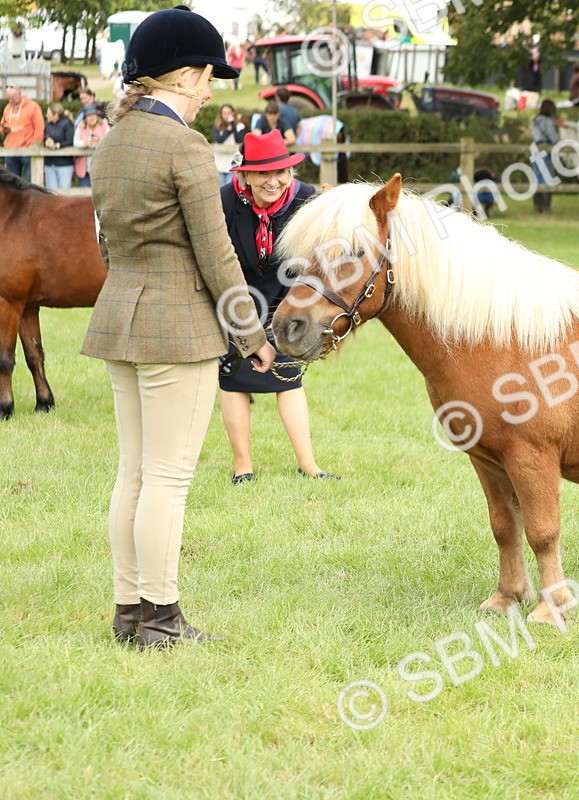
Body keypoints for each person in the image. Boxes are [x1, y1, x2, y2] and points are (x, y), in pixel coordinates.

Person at [82, 6, 276, 650]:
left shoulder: (111, 142)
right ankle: (161, 619)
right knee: (167, 478)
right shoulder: (184, 146)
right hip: (176, 328)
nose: (210, 90)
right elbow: (218, 256)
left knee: (134, 473)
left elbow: (107, 243)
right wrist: (252, 336)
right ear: (185, 76)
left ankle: (128, 612)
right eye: (208, 77)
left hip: (120, 316)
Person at [219, 130, 336, 484]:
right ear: (246, 175)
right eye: (263, 173)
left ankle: (309, 465)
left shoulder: (307, 200)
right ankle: (243, 467)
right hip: (238, 301)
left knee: (289, 379)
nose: (273, 181)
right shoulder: (224, 201)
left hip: (287, 302)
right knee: (234, 381)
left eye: (280, 172)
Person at [2, 83, 45, 181]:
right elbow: (2, 124)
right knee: (11, 182)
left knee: (29, 181)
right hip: (10, 150)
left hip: (27, 150)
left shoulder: (33, 107)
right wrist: (4, 130)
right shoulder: (7, 108)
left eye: (13, 97)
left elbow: (39, 127)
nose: (11, 100)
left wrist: (34, 144)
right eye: (9, 98)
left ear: (19, 93)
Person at [531, 99, 560, 214]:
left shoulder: (536, 120)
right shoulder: (547, 121)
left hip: (535, 149)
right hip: (544, 149)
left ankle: (537, 205)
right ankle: (545, 207)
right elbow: (554, 137)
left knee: (538, 178)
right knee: (547, 178)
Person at [72, 104, 108, 187]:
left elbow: (109, 141)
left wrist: (100, 140)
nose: (92, 117)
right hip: (84, 169)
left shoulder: (104, 126)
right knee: (84, 192)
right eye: (89, 115)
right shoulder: (80, 127)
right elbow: (75, 142)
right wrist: (85, 143)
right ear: (85, 118)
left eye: (93, 115)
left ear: (97, 116)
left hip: (100, 168)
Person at [42, 103, 75, 189]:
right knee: (51, 192)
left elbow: (70, 141)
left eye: (48, 113)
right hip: (49, 164)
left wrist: (58, 145)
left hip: (64, 164)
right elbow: (43, 137)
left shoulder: (67, 124)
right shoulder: (46, 124)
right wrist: (46, 141)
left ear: (55, 115)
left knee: (64, 192)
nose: (46, 115)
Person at [213, 103, 247, 185]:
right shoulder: (217, 126)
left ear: (233, 113)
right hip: (220, 163)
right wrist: (228, 131)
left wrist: (232, 125)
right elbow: (219, 140)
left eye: (229, 113)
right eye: (224, 113)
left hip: (232, 164)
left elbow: (238, 140)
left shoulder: (240, 126)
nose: (227, 115)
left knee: (230, 186)